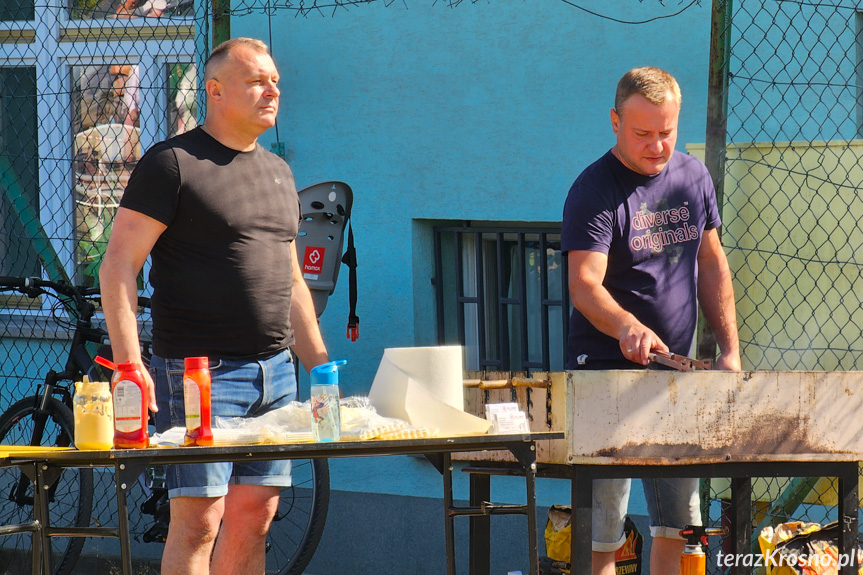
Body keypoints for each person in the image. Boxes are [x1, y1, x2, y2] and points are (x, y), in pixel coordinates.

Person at [99, 37, 329, 575]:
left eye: (275, 81)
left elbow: (292, 279)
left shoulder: (279, 173)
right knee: (200, 519)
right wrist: (130, 366)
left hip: (277, 375)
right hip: (200, 374)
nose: (272, 90)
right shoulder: (172, 164)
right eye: (256, 81)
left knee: (256, 517)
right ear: (216, 91)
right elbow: (117, 266)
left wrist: (322, 369)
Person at [561, 66, 741, 575]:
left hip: (676, 376)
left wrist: (728, 350)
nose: (657, 146)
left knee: (680, 528)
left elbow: (711, 262)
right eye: (643, 134)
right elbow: (583, 284)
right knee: (602, 534)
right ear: (615, 122)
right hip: (601, 373)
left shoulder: (693, 176)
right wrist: (625, 327)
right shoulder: (593, 190)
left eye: (666, 132)